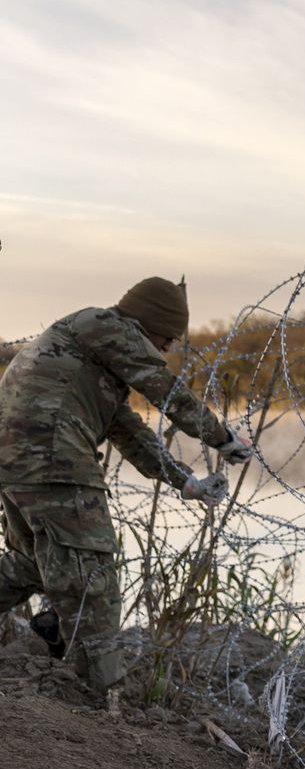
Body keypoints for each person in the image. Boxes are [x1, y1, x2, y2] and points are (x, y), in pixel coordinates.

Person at [0, 277, 251, 700]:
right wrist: (221, 437)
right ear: (146, 323)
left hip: (17, 461)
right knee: (94, 579)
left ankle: (81, 668)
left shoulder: (86, 351)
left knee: (32, 564)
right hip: (54, 459)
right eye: (167, 337)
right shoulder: (105, 325)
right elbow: (163, 387)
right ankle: (100, 693)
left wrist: (185, 481)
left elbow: (125, 429)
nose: (168, 348)